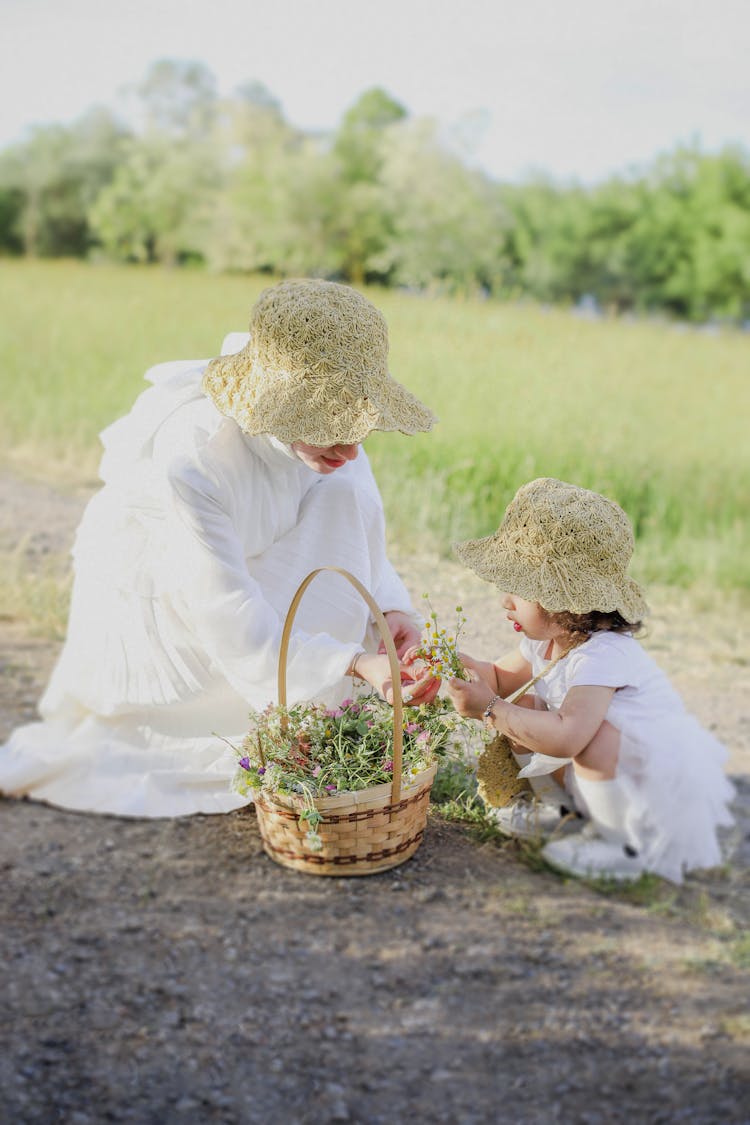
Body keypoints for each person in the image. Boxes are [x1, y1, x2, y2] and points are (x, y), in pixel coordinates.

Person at [0, 279, 438, 818]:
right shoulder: (194, 456)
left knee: (345, 488)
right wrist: (349, 660)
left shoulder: (338, 449)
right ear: (283, 409)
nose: (351, 447)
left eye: (360, 426)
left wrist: (392, 607)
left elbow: (359, 530)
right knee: (202, 726)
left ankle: (314, 702)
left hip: (251, 570)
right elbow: (225, 611)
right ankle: (280, 709)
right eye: (332, 428)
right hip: (173, 602)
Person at [440, 477, 735, 883]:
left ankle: (621, 847)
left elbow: (567, 738)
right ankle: (561, 813)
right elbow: (497, 678)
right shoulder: (545, 641)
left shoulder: (605, 654)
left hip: (643, 793)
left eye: (519, 590)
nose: (505, 601)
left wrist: (489, 708)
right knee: (522, 708)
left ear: (565, 601)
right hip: (595, 778)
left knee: (591, 736)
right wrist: (452, 665)